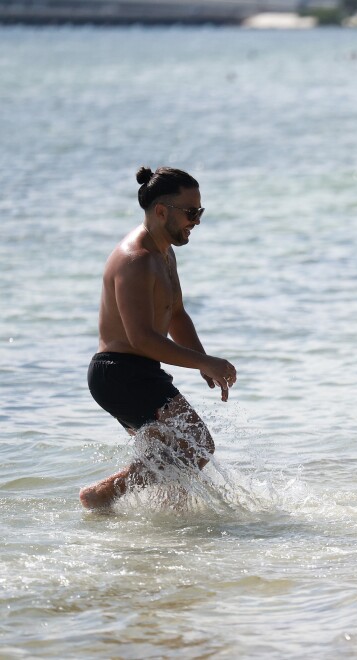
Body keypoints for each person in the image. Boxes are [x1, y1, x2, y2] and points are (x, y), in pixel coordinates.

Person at [80, 167, 237, 509]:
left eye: (200, 212)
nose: (196, 221)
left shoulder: (165, 254)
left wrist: (203, 362)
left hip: (137, 371)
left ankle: (162, 537)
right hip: (121, 372)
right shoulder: (135, 261)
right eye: (191, 212)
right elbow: (141, 339)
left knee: (173, 463)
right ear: (162, 211)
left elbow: (176, 313)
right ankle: (100, 496)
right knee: (197, 444)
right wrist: (204, 361)